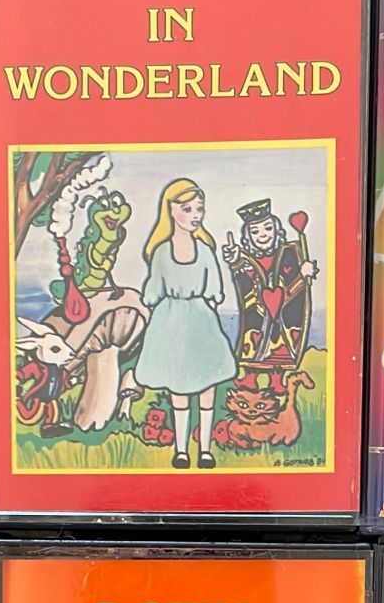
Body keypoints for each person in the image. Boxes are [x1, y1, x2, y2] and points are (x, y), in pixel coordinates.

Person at [134, 179, 236, 468]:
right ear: (171, 209)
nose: (195, 215)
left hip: (201, 322)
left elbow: (214, 289)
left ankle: (205, 450)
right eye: (187, 208)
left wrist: (209, 303)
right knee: (178, 389)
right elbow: (153, 291)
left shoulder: (205, 250)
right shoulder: (161, 252)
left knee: (207, 388)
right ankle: (181, 451)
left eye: (199, 209)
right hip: (170, 325)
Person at [222, 198, 317, 392]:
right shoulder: (246, 259)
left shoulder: (289, 252)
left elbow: (296, 282)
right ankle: (250, 378)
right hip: (257, 315)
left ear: (276, 229)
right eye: (255, 231)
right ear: (247, 236)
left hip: (284, 315)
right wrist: (235, 261)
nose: (263, 235)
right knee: (254, 344)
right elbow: (242, 278)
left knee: (280, 347)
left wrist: (305, 273)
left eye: (267, 228)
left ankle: (276, 379)